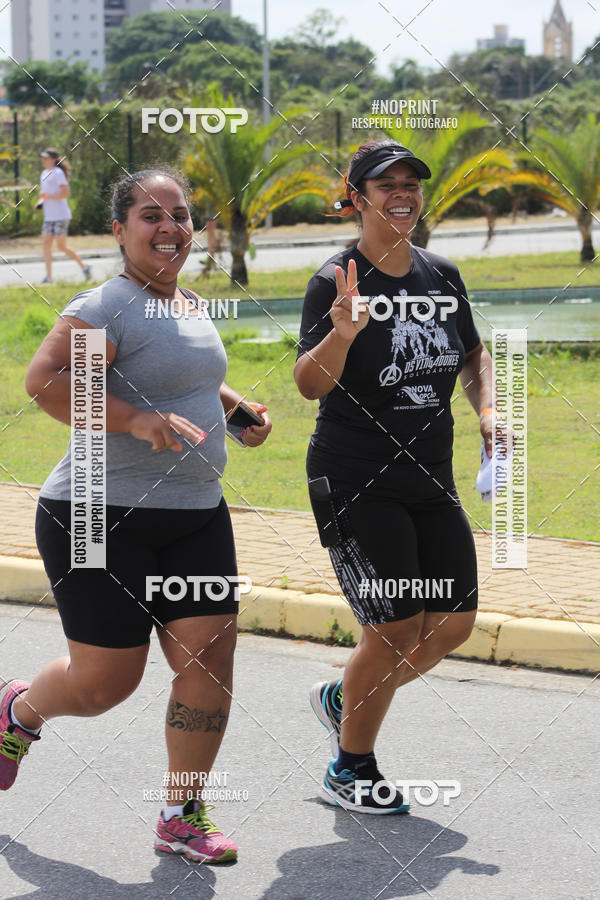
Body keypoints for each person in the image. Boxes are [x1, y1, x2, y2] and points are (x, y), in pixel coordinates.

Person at [0, 168, 272, 862]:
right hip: (96, 515)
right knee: (104, 686)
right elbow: (51, 383)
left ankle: (182, 812)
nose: (170, 228)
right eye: (151, 216)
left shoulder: (185, 305)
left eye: (180, 215)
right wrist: (133, 420)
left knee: (210, 659)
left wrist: (235, 411)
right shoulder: (108, 307)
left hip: (195, 515)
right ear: (119, 231)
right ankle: (18, 712)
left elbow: (195, 376)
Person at [295, 139, 495, 814]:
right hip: (355, 481)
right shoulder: (335, 280)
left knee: (454, 623)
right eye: (387, 184)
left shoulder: (441, 273)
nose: (402, 192)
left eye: (411, 182)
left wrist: (488, 407)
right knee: (394, 629)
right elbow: (307, 383)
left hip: (429, 479)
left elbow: (473, 353)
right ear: (356, 198)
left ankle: (346, 698)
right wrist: (343, 333)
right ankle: (350, 769)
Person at [36, 148, 91, 284]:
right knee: (46, 245)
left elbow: (66, 194)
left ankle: (84, 266)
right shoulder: (44, 173)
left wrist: (48, 196)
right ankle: (49, 277)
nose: (43, 160)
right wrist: (40, 201)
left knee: (61, 247)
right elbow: (45, 194)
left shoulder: (58, 173)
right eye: (42, 158)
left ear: (54, 159)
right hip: (49, 217)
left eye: (46, 158)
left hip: (61, 216)